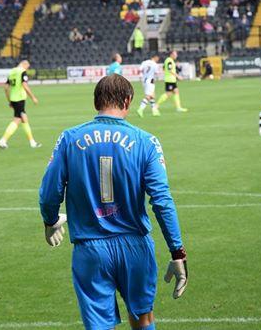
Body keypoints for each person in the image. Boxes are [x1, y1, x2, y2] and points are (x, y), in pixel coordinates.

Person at [39, 74, 188, 330]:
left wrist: (51, 220)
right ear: (128, 101)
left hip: (91, 249)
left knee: (99, 326)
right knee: (143, 318)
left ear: (96, 102)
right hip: (135, 247)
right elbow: (161, 200)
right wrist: (177, 252)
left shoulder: (69, 138)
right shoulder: (147, 142)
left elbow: (49, 193)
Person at [0, 60, 41, 149]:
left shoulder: (12, 72)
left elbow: (6, 88)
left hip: (14, 99)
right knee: (17, 120)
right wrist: (33, 97)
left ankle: (32, 142)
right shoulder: (22, 72)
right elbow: (24, 85)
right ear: (24, 64)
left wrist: (9, 100)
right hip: (20, 99)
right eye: (27, 67)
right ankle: (3, 140)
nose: (27, 69)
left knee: (24, 119)